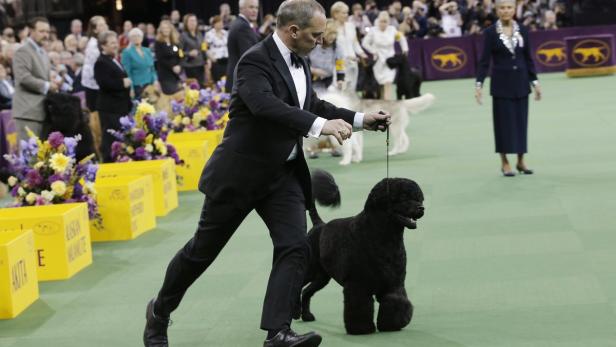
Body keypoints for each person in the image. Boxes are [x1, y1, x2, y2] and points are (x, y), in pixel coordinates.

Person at [142, 1, 391, 346]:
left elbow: (312, 105)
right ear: (293, 31)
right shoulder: (254, 60)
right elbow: (266, 106)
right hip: (240, 176)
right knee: (202, 252)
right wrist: (322, 127)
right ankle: (159, 312)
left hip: (283, 175)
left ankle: (278, 332)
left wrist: (362, 120)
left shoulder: (299, 57)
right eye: (316, 35)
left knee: (294, 247)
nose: (321, 41)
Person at [475, 0, 541, 177]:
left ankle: (521, 161)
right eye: (502, 8)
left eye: (509, 7)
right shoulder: (490, 33)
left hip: (521, 83)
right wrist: (479, 84)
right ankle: (504, 162)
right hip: (501, 85)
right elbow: (484, 61)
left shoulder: (524, 31)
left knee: (521, 124)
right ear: (497, 10)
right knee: (502, 125)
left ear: (514, 10)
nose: (506, 11)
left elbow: (528, 59)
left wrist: (535, 82)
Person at [12, 17, 57, 140]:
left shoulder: (42, 52)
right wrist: (47, 86)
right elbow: (24, 78)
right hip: (28, 113)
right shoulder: (22, 51)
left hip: (42, 112)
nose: (46, 35)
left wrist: (53, 82)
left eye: (47, 32)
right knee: (30, 157)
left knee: (43, 157)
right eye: (42, 31)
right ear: (30, 31)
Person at [94, 31, 132, 162]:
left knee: (119, 139)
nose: (115, 45)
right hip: (110, 109)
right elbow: (104, 83)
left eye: (116, 42)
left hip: (120, 108)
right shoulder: (100, 62)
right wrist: (122, 83)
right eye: (112, 43)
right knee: (110, 140)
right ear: (103, 46)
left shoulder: (113, 60)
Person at [362, 11, 408, 96]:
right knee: (380, 84)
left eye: (385, 21)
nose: (383, 24)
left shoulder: (392, 29)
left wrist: (405, 50)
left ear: (388, 22)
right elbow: (365, 43)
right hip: (378, 61)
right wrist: (373, 51)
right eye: (381, 21)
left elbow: (401, 39)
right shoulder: (373, 30)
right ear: (378, 21)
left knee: (388, 82)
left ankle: (388, 104)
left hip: (390, 61)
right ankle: (382, 102)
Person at [330, 1, 367, 93]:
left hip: (353, 62)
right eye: (343, 13)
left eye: (347, 12)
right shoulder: (330, 27)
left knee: (351, 90)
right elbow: (330, 48)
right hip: (338, 63)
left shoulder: (351, 26)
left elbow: (355, 44)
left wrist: (362, 54)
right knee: (339, 89)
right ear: (335, 14)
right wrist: (346, 57)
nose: (346, 15)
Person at [225, 0, 261, 92]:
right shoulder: (242, 27)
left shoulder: (241, 24)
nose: (255, 10)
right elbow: (250, 58)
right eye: (251, 7)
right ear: (241, 9)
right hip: (242, 83)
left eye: (256, 7)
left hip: (239, 81)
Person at [82, 16, 108, 111]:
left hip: (100, 84)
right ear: (95, 30)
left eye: (105, 24)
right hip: (94, 86)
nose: (105, 26)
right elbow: (99, 67)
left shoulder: (101, 42)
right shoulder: (93, 45)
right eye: (101, 25)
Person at [122, 28, 157, 98]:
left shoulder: (147, 50)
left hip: (150, 84)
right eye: (133, 36)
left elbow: (152, 68)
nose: (136, 38)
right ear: (130, 39)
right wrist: (131, 88)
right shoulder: (127, 52)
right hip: (137, 86)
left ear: (142, 38)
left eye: (138, 36)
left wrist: (155, 80)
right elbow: (127, 72)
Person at [154, 20, 182, 95]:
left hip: (176, 75)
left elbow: (180, 55)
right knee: (171, 95)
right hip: (165, 75)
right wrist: (172, 67)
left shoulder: (175, 42)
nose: (166, 30)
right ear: (161, 30)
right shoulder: (158, 43)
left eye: (167, 28)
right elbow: (160, 59)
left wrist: (179, 65)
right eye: (164, 28)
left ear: (171, 29)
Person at [180, 13, 206, 86]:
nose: (193, 23)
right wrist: (189, 53)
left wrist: (206, 60)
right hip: (189, 66)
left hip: (200, 65)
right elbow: (179, 52)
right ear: (186, 23)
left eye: (194, 20)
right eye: (191, 21)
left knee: (202, 87)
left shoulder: (200, 34)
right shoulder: (183, 36)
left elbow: (204, 48)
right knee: (193, 90)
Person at [205, 15, 228, 84]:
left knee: (227, 80)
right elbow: (205, 48)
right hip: (216, 61)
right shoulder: (209, 34)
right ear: (214, 24)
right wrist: (210, 58)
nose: (221, 24)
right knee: (218, 81)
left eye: (222, 22)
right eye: (219, 22)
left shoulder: (226, 33)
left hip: (226, 60)